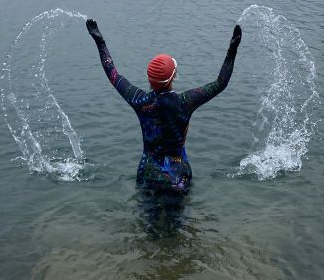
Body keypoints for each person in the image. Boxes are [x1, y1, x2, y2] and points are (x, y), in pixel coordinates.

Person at [85, 18, 242, 193]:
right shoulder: (186, 102)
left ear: (149, 79)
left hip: (147, 174)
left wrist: (100, 42)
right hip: (179, 176)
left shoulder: (139, 100)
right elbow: (221, 82)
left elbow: (113, 74)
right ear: (173, 76)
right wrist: (232, 50)